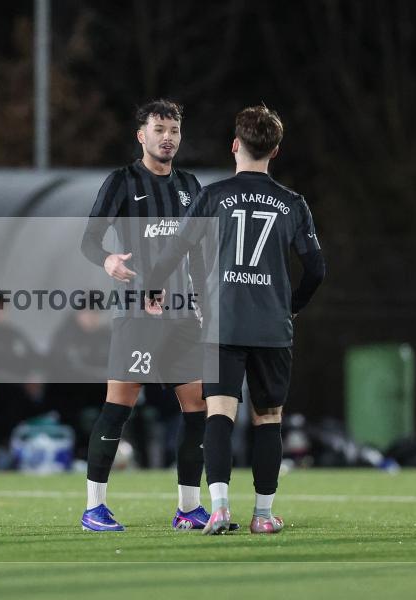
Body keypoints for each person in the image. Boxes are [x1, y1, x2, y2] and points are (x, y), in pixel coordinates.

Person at [147, 105, 326, 534]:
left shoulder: (213, 196)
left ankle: (220, 508)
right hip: (270, 326)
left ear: (235, 145)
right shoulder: (292, 203)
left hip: (222, 322)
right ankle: (262, 516)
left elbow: (174, 250)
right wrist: (291, 305)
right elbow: (316, 270)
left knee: (219, 413)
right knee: (268, 418)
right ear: (275, 150)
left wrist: (153, 285)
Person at [78, 99, 231, 532]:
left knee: (197, 405)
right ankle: (94, 507)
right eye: (159, 129)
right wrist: (107, 261)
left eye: (175, 130)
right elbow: (89, 240)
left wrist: (202, 299)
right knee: (119, 406)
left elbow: (197, 251)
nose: (168, 138)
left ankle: (188, 507)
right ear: (141, 135)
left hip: (183, 318)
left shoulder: (189, 184)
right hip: (137, 316)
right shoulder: (121, 182)